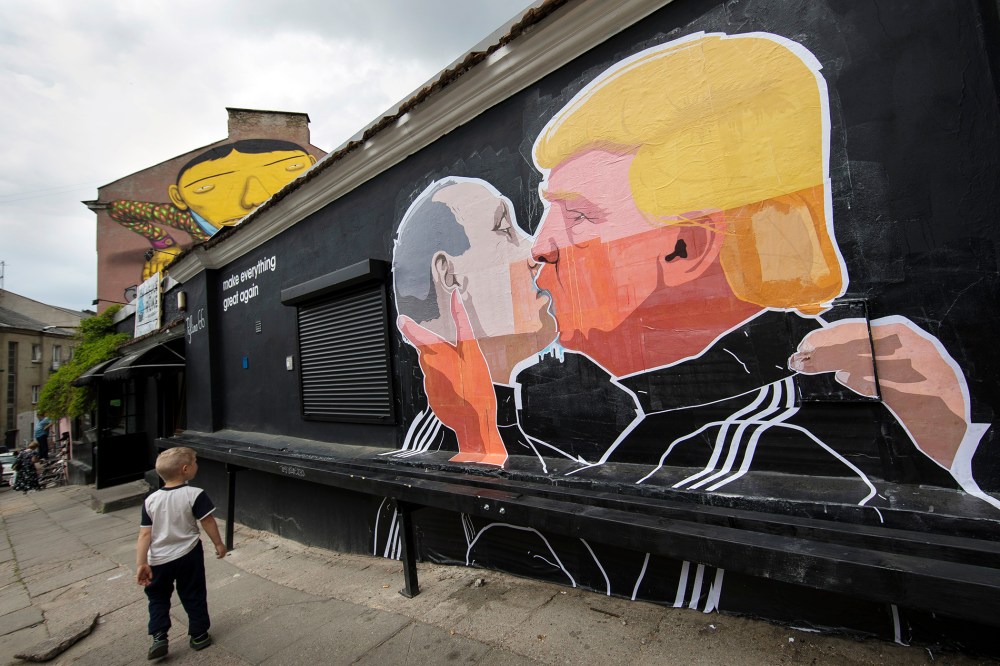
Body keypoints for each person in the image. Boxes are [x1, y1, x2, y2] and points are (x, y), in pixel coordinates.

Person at [393, 178, 557, 465]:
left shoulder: (522, 433)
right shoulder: (437, 448)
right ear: (448, 274)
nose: (534, 253)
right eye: (505, 230)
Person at [109, 139, 317, 279]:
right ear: (177, 197)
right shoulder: (183, 218)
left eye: (290, 169)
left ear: (313, 164)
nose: (254, 198)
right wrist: (164, 245)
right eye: (207, 187)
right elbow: (119, 209)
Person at [136, 447, 227, 660]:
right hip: (188, 554)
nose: (197, 465)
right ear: (185, 470)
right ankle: (199, 634)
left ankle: (159, 635)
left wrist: (141, 563)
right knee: (193, 592)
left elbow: (144, 535)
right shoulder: (194, 494)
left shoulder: (150, 500)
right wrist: (219, 544)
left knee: (157, 597)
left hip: (158, 559)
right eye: (195, 462)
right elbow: (207, 521)